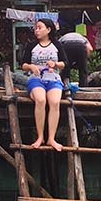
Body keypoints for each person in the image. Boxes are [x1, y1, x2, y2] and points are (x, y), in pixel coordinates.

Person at [22, 18, 65, 150]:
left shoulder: (57, 45)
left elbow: (64, 64)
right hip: (36, 80)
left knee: (55, 102)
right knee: (41, 100)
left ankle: (51, 138)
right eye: (36, 28)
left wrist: (55, 64)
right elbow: (23, 65)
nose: (37, 30)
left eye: (40, 28)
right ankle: (40, 136)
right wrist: (31, 67)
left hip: (53, 79)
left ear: (48, 29)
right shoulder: (31, 46)